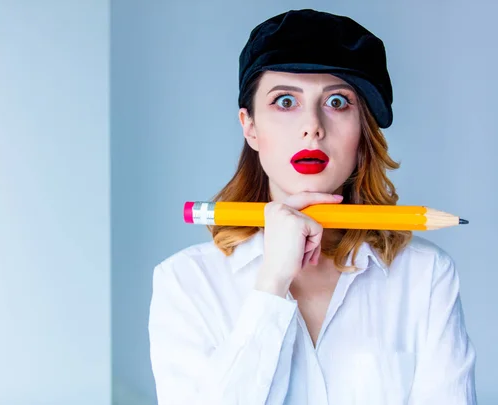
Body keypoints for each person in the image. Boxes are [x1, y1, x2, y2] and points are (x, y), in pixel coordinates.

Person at [148, 8, 477, 405]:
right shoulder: (186, 282)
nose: (313, 126)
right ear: (249, 126)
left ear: (363, 129)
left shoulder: (426, 277)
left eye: (338, 101)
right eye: (285, 101)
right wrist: (271, 284)